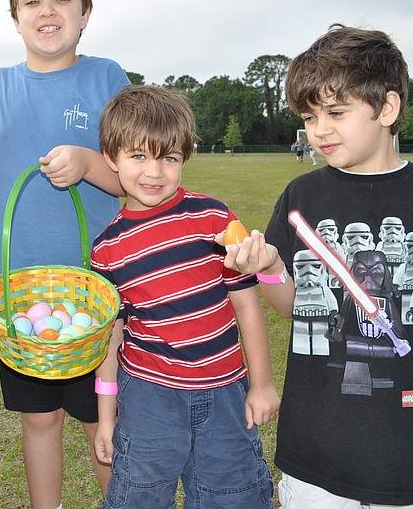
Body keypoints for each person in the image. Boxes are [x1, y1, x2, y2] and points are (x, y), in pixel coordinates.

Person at [222, 25, 413, 508]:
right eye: (310, 117)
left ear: (388, 109)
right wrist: (271, 266)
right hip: (317, 451)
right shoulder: (302, 196)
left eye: (336, 112)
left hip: (410, 452)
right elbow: (294, 308)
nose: (319, 131)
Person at [0, 0, 129, 507]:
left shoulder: (106, 77)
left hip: (97, 288)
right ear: (15, 15)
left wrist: (88, 163)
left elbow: (133, 178)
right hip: (22, 292)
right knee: (39, 421)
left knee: (104, 420)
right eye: (32, 0)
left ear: (85, 12)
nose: (47, 10)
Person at [90, 85, 278, 508]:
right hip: (148, 396)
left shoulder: (213, 218)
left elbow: (246, 305)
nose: (155, 172)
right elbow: (110, 339)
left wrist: (262, 384)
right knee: (139, 495)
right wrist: (106, 418)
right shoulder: (106, 249)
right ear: (110, 156)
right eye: (139, 156)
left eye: (169, 158)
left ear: (184, 157)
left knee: (233, 496)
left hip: (227, 393)